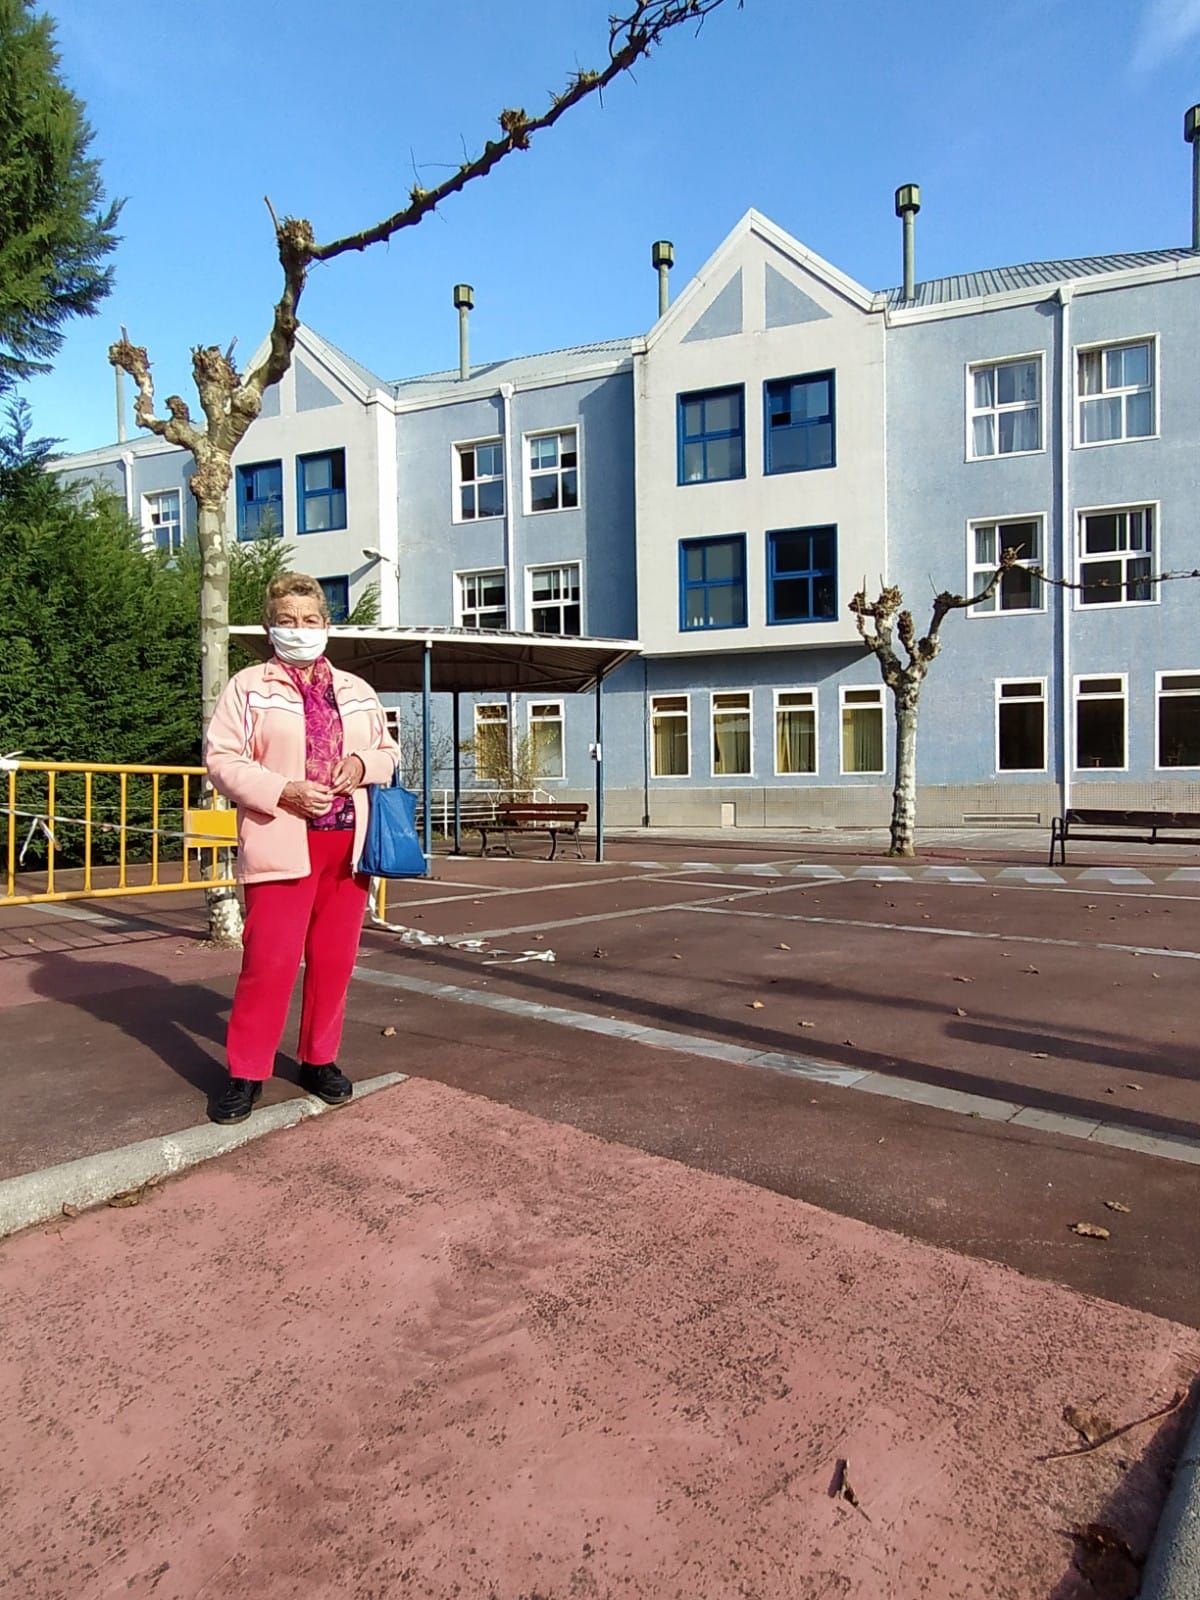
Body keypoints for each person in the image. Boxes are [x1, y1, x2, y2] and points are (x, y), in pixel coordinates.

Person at [204, 573, 400, 1124]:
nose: (300, 630)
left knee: (334, 962)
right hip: (281, 840)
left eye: (310, 620)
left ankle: (319, 1059)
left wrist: (362, 764)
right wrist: (282, 790)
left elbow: (389, 751)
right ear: (270, 626)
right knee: (269, 962)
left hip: (348, 845)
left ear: (326, 626)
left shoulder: (358, 689)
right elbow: (221, 758)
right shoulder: (248, 687)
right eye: (287, 620)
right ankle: (246, 1072)